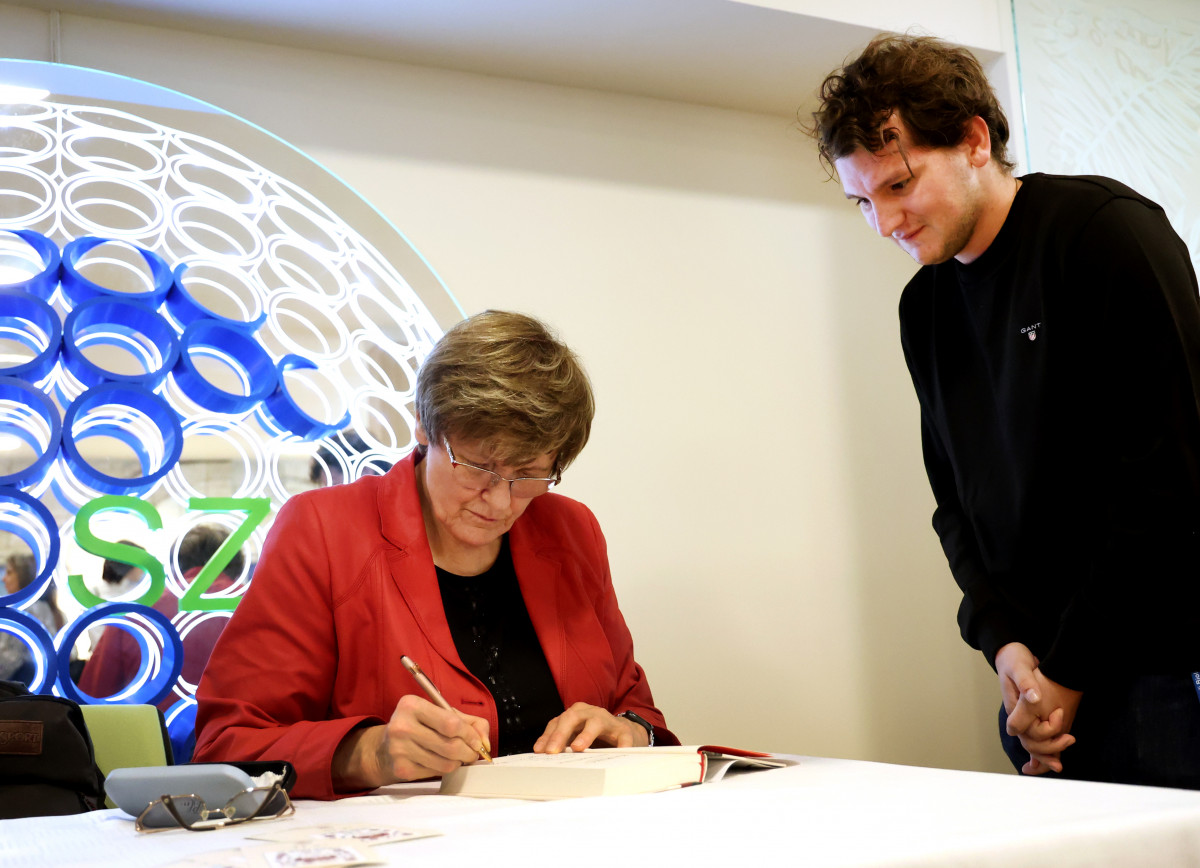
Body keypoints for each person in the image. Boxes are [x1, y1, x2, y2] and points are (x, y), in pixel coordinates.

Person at [807, 34, 1200, 787]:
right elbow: (955, 505)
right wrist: (1005, 647)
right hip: (1033, 688)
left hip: (1156, 671)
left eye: (898, 185)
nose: (884, 223)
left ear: (974, 141)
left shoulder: (1105, 233)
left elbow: (1170, 481)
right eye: (862, 201)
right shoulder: (924, 309)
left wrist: (1068, 671)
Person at [194, 310, 677, 799]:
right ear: (425, 426)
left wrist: (630, 731)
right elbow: (226, 746)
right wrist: (369, 753)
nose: (501, 502)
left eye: (529, 474)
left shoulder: (571, 531)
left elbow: (636, 709)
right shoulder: (323, 531)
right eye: (480, 467)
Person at [78, 525, 243, 760]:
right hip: (249, 764)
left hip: (150, 764)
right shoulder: (261, 606)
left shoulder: (136, 616)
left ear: (176, 566)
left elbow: (91, 701)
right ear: (237, 568)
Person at [0, 554, 65, 683]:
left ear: (22, 575)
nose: (3, 579)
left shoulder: (29, 609)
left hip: (24, 682)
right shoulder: (38, 607)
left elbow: (12, 657)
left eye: (9, 573)